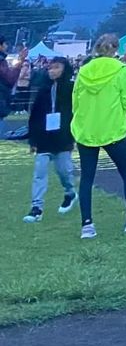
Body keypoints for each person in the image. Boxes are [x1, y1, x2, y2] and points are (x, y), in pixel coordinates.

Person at [72, 34, 126, 238]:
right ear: (116, 49)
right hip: (113, 130)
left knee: (87, 178)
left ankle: (87, 225)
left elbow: (75, 102)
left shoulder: (83, 71)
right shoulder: (122, 70)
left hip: (86, 130)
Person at [24, 57, 77, 222]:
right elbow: (35, 116)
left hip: (63, 138)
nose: (52, 71)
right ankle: (36, 208)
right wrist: (33, 140)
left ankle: (70, 193)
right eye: (50, 68)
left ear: (64, 69)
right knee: (39, 174)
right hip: (44, 140)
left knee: (64, 172)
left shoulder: (71, 88)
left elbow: (77, 112)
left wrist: (74, 135)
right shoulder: (43, 90)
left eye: (57, 67)